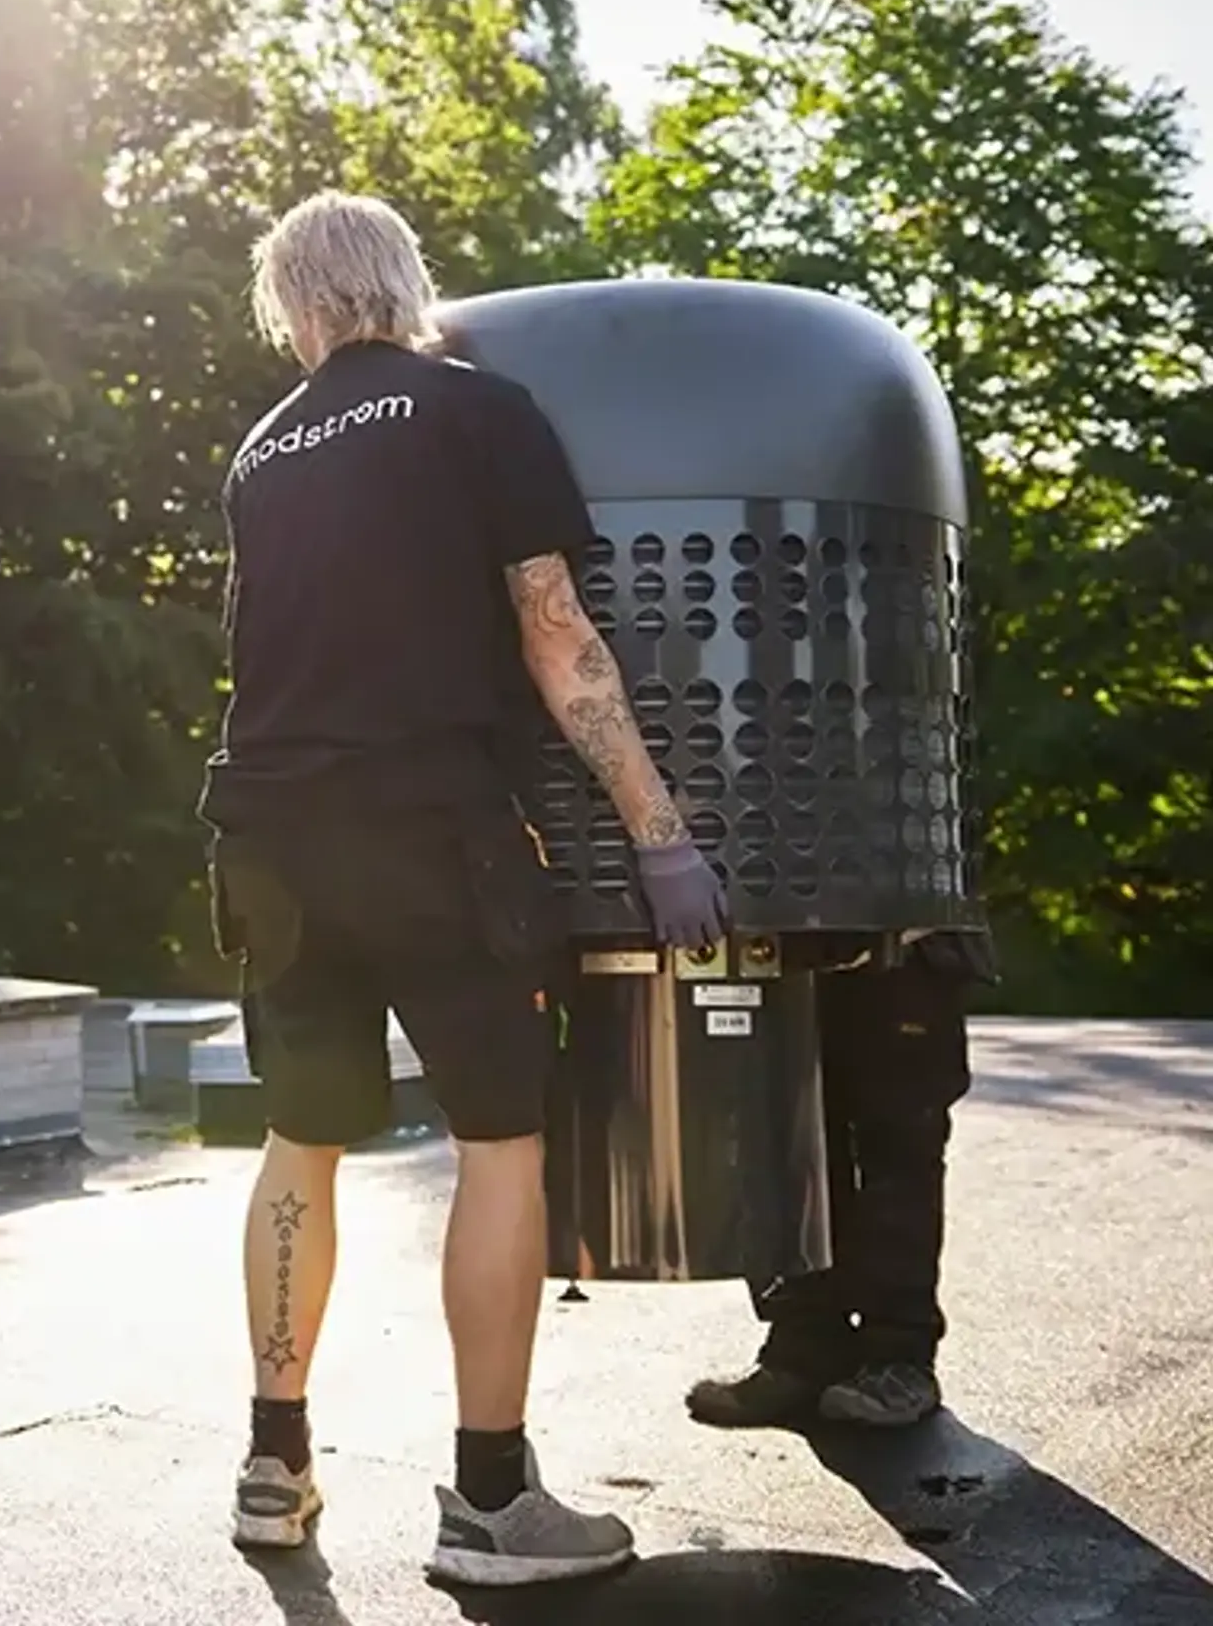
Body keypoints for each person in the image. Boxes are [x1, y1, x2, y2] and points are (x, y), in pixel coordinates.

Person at [200, 190, 727, 1586]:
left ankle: (273, 1464)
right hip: (432, 827)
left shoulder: (262, 451)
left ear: (295, 309)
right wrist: (661, 833)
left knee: (299, 1140)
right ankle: (492, 1502)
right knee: (499, 1139)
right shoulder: (473, 409)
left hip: (267, 832)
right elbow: (558, 638)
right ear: (405, 284)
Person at [686, 927, 996, 1430]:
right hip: (780, 938)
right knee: (782, 1143)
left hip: (906, 932)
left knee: (900, 1146)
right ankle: (804, 1349)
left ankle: (900, 1357)